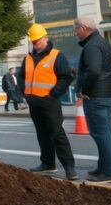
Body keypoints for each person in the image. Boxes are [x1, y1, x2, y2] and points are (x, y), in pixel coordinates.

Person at [17, 24, 77, 180]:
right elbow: (21, 75)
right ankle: (48, 164)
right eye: (33, 41)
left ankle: (69, 167)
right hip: (34, 102)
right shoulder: (28, 58)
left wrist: (54, 93)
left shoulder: (57, 56)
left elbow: (66, 76)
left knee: (57, 133)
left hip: (49, 102)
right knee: (42, 134)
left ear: (46, 37)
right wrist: (24, 92)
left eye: (38, 40)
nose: (36, 43)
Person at [74, 16, 111, 183]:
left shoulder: (92, 46)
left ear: (85, 28)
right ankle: (104, 167)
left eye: (76, 29)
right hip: (105, 94)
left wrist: (84, 90)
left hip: (96, 96)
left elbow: (93, 70)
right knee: (104, 133)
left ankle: (109, 173)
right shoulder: (101, 42)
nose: (75, 32)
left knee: (101, 134)